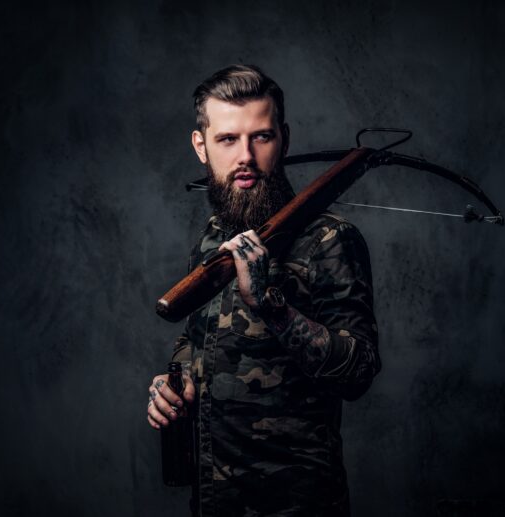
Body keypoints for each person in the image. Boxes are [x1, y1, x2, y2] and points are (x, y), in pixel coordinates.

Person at [147, 64, 381, 517]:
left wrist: (269, 304)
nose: (245, 157)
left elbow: (360, 371)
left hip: (297, 505)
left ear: (284, 140)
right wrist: (175, 382)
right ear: (201, 146)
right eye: (227, 139)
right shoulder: (213, 238)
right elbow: (196, 338)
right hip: (214, 501)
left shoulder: (330, 240)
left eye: (262, 136)